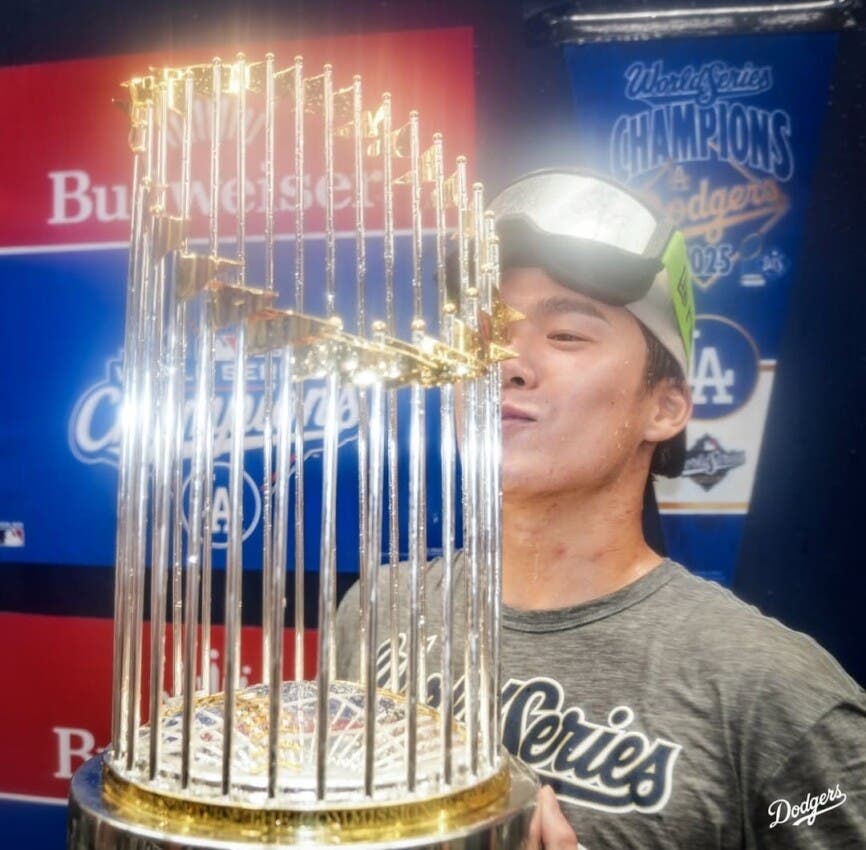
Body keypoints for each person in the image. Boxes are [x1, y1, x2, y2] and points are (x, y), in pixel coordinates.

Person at [337, 169, 866, 849]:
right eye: (489, 330)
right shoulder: (380, 613)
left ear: (664, 406)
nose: (508, 363)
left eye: (566, 336)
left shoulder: (772, 695)